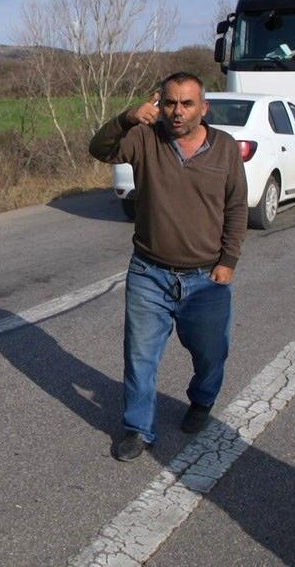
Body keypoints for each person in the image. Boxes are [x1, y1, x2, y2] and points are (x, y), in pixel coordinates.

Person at [88, 72, 247, 461]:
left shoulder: (224, 148)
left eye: (187, 103)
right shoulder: (145, 138)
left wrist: (228, 261)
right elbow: (100, 148)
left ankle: (202, 401)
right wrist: (128, 117)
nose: (177, 112)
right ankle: (138, 429)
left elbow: (236, 206)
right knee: (140, 355)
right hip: (149, 272)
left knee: (211, 354)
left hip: (206, 278)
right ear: (160, 103)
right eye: (170, 103)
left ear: (203, 108)